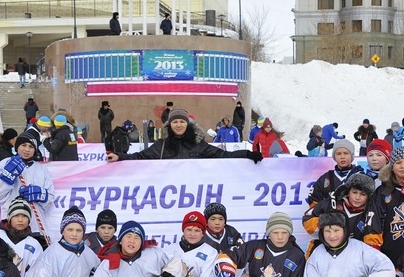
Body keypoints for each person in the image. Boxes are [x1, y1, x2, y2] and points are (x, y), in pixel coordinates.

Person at [106, 108, 263, 163]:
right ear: (170, 125)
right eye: (175, 122)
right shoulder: (162, 145)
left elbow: (223, 155)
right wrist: (119, 156)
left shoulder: (197, 144)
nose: (179, 125)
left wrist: (247, 154)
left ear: (188, 124)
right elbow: (139, 157)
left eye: (182, 121)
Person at [0, 129, 54, 239]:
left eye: (31, 146)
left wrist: (40, 194)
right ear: (17, 146)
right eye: (23, 145)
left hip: (35, 225)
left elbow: (50, 199)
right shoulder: (4, 164)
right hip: (10, 224)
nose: (27, 149)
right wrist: (7, 179)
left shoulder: (42, 169)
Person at [302, 172, 379, 256]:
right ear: (348, 192)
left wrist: (367, 258)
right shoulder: (332, 203)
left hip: (353, 256)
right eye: (354, 192)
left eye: (363, 194)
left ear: (368, 197)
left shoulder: (371, 213)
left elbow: (372, 242)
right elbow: (307, 220)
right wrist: (324, 222)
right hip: (323, 251)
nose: (357, 198)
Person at [0, 197, 48, 277]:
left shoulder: (34, 244)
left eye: (24, 216)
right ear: (9, 218)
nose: (20, 220)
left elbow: (35, 273)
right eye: (16, 215)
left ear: (29, 219)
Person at [305, 138, 364, 209]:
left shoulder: (360, 176)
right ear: (334, 157)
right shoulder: (326, 178)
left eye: (346, 153)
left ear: (352, 156)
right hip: (330, 215)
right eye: (338, 154)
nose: (342, 157)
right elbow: (313, 200)